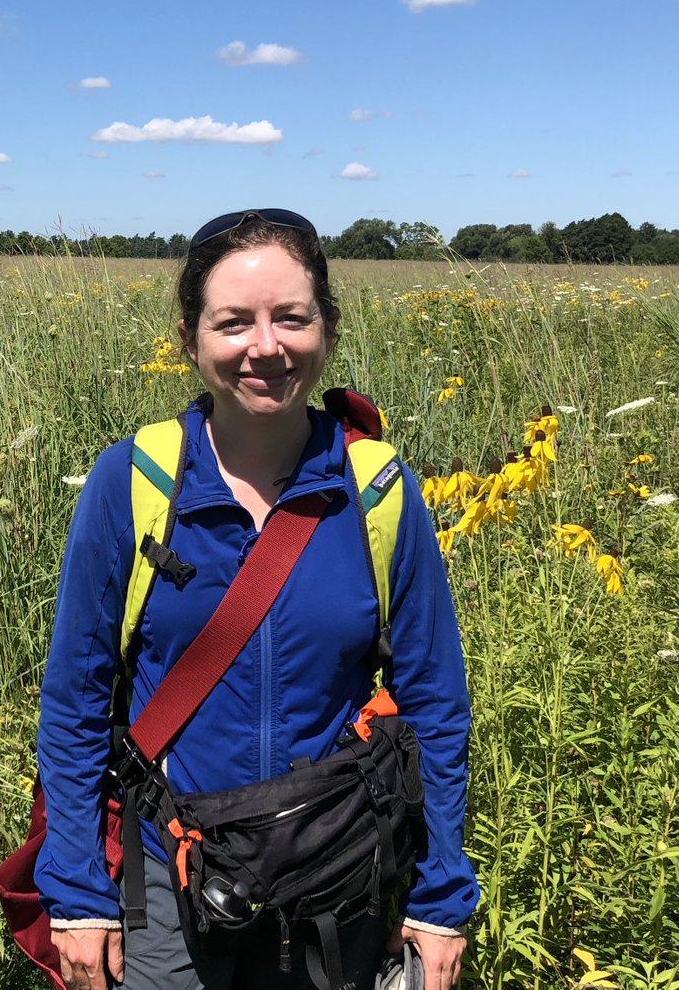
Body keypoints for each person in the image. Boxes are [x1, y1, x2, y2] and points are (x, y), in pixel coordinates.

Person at [35, 209, 478, 990]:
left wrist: (441, 898)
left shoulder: (378, 491)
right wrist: (77, 896)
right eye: (234, 322)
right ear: (190, 336)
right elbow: (74, 699)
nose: (265, 347)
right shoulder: (135, 481)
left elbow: (434, 702)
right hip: (168, 866)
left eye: (291, 318)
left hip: (339, 866)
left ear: (328, 329)